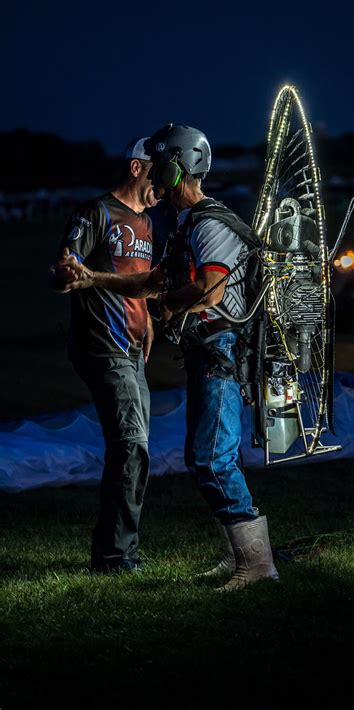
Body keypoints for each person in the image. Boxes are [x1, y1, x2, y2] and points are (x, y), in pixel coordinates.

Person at [56, 125, 279, 591]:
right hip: (204, 352)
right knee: (205, 458)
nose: (151, 174)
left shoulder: (209, 222)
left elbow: (210, 289)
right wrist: (93, 279)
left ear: (177, 168)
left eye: (159, 166)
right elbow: (147, 283)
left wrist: (167, 308)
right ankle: (235, 556)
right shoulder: (184, 228)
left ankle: (256, 565)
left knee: (212, 459)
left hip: (221, 350)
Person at [50, 137, 159, 573]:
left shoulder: (147, 223)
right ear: (136, 168)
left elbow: (137, 280)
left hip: (133, 350)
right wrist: (65, 275)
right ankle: (114, 556)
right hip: (103, 347)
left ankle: (118, 550)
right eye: (158, 172)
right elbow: (65, 270)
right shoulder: (96, 213)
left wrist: (147, 318)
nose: (164, 185)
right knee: (131, 445)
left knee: (136, 447)